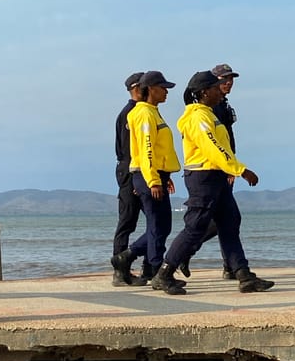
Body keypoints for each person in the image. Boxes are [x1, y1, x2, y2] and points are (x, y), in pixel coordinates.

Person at [151, 71, 274, 296]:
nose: (221, 91)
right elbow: (213, 148)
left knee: (230, 222)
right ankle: (164, 273)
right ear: (204, 92)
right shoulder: (198, 118)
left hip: (216, 176)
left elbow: (222, 147)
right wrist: (240, 170)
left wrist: (230, 168)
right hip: (203, 178)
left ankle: (243, 274)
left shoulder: (208, 114)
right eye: (216, 88)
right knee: (195, 227)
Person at [110, 71, 186, 295]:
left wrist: (165, 176)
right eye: (163, 87)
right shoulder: (140, 113)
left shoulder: (152, 112)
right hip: (142, 175)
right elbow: (145, 150)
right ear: (149, 88)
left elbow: (157, 150)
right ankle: (151, 270)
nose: (166, 92)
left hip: (152, 174)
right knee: (144, 224)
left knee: (160, 226)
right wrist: (151, 180)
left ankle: (130, 259)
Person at [178, 62, 240, 280]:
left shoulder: (223, 104)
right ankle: (181, 255)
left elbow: (227, 139)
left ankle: (234, 268)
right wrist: (231, 168)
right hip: (211, 170)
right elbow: (211, 143)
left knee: (229, 219)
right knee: (208, 222)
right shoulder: (207, 107)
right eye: (224, 80)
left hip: (223, 167)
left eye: (231, 79)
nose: (228, 82)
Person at [111, 72, 148, 287]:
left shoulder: (138, 111)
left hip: (134, 170)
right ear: (137, 88)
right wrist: (135, 179)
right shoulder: (130, 114)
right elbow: (129, 149)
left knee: (155, 221)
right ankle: (120, 271)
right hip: (130, 171)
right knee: (127, 221)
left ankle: (149, 265)